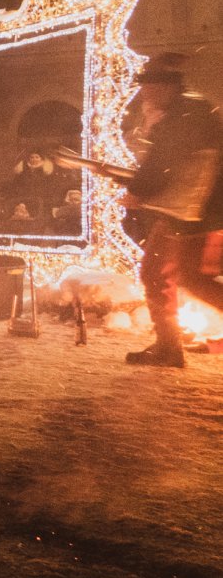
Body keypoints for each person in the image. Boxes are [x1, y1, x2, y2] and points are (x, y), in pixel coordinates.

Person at [111, 54, 223, 367]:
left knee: (190, 278)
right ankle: (168, 346)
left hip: (197, 212)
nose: (145, 92)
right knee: (163, 275)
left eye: (150, 86)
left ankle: (168, 347)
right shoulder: (188, 110)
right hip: (186, 209)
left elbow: (163, 162)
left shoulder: (183, 114)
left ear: (167, 87)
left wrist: (136, 190)